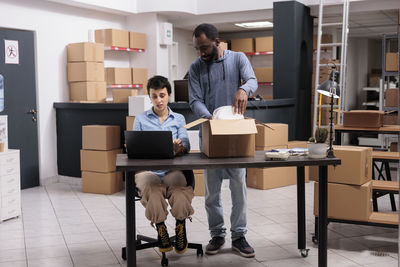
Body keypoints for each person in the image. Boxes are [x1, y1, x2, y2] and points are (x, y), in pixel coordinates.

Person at [188, 23, 258, 257]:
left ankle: (239, 236)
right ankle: (217, 234)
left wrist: (244, 90)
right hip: (210, 134)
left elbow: (252, 80)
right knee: (212, 192)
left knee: (239, 188)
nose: (201, 53)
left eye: (205, 47)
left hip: (235, 136)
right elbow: (194, 100)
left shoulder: (238, 59)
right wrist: (209, 117)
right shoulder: (196, 67)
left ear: (218, 41)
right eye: (198, 48)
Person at [133, 75, 194, 254]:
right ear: (149, 97)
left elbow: (186, 143)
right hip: (148, 171)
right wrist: (133, 146)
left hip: (172, 169)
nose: (159, 100)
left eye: (162, 95)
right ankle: (161, 228)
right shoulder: (141, 119)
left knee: (179, 190)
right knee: (152, 189)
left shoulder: (179, 119)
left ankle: (180, 226)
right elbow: (135, 146)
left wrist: (180, 146)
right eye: (154, 96)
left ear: (169, 95)